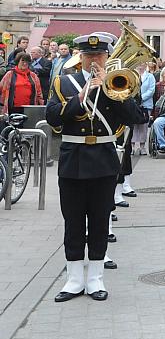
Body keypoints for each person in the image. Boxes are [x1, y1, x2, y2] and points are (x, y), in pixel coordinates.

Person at [45, 33, 143, 302]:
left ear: (107, 57)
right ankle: (74, 279)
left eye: (99, 56)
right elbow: (53, 118)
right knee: (73, 220)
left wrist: (111, 93)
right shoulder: (62, 83)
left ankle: (96, 278)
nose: (93, 60)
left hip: (103, 158)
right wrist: (82, 95)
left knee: (100, 221)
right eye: (89, 56)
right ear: (80, 58)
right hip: (73, 158)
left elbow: (136, 116)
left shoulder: (115, 86)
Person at [131, 63, 155, 155]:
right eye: (138, 63)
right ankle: (132, 146)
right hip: (132, 103)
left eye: (142, 63)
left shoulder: (150, 76)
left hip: (145, 104)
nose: (140, 65)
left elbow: (151, 90)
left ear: (145, 65)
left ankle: (142, 146)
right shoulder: (132, 74)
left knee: (143, 127)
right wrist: (134, 99)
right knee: (132, 125)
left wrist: (141, 98)